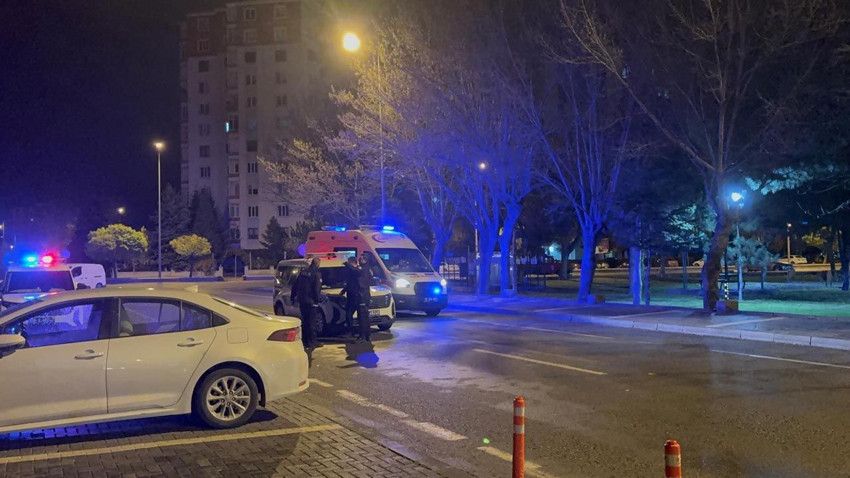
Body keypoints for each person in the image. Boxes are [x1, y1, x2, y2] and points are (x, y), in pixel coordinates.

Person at [291, 257, 322, 350]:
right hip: (311, 302)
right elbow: (316, 289)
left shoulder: (303, 272)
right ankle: (312, 342)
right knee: (312, 322)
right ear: (318, 264)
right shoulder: (316, 273)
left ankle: (305, 341)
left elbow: (295, 285)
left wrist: (293, 297)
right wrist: (317, 301)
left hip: (302, 301)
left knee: (305, 321)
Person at [341, 256, 361, 337]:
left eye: (349, 262)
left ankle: (351, 331)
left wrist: (348, 265)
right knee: (349, 313)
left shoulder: (357, 270)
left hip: (355, 295)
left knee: (349, 312)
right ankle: (351, 330)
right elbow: (349, 283)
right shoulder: (352, 270)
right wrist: (343, 291)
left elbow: (356, 273)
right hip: (352, 295)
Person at [356, 254, 373, 342]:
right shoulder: (368, 269)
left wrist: (360, 295)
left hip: (362, 296)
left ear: (365, 260)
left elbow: (361, 284)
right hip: (366, 295)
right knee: (366, 316)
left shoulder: (363, 270)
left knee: (362, 317)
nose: (359, 260)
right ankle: (367, 335)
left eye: (361, 259)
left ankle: (362, 336)